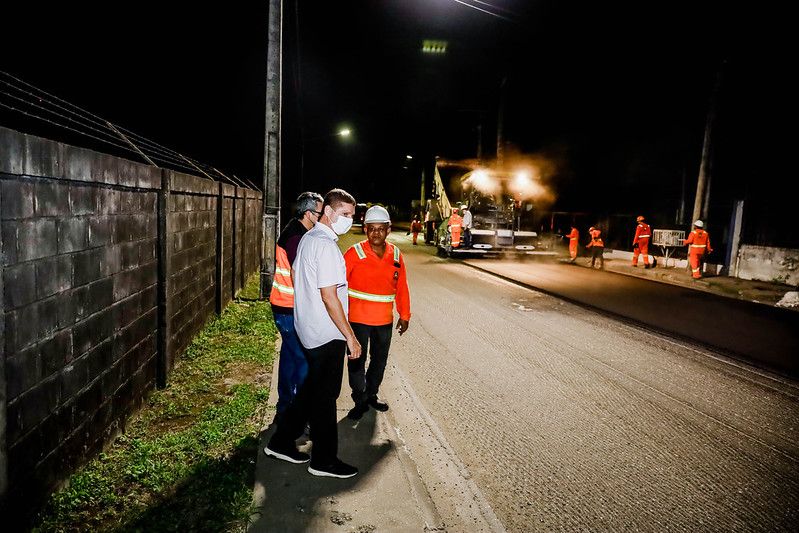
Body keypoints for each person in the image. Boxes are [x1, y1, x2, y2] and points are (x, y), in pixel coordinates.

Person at [264, 188, 363, 479]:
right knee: (325, 398)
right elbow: (330, 297)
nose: (349, 220)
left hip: (307, 329)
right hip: (326, 334)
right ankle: (323, 460)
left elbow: (297, 276)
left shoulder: (308, 238)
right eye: (345, 214)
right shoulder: (327, 247)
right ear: (328, 213)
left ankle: (281, 442)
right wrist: (351, 336)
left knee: (309, 391)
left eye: (352, 216)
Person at [343, 206, 411, 420]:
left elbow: (402, 287)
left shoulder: (397, 256)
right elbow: (338, 285)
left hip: (384, 321)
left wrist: (405, 315)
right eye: (371, 229)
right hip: (357, 320)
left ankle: (371, 394)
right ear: (365, 229)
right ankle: (359, 398)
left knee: (379, 360)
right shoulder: (354, 254)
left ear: (388, 230)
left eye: (380, 229)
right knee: (356, 360)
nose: (376, 233)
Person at [269, 192, 323, 422]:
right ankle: (299, 415)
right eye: (319, 213)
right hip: (289, 307)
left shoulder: (296, 230)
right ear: (309, 214)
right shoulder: (296, 238)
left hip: (284, 305)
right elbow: (297, 273)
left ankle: (285, 408)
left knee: (291, 358)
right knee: (302, 360)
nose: (321, 217)